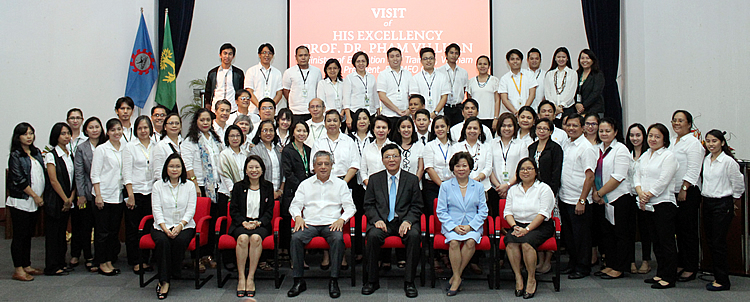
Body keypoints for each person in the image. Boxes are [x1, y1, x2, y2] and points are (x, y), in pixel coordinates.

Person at [287, 151, 357, 299]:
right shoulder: (305, 184)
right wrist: (298, 217)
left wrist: (341, 220)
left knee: (338, 240)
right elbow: (294, 205)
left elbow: (351, 207)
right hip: (309, 223)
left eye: (327, 164)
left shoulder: (341, 184)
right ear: (313, 167)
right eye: (319, 164)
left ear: (332, 166)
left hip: (332, 224)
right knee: (296, 238)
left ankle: (334, 280)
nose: (323, 167)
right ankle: (298, 280)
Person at [362, 144, 423, 298]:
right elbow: (368, 205)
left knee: (414, 236)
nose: (391, 160)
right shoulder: (375, 179)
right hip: (382, 221)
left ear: (400, 158)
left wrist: (408, 221)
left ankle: (409, 282)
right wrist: (376, 220)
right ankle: (372, 281)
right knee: (374, 236)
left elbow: (417, 205)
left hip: (404, 221)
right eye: (387, 157)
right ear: (382, 160)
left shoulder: (412, 179)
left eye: (395, 156)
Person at [436, 152, 489, 296]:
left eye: (464, 166)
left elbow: (483, 211)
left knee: (471, 241)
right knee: (453, 242)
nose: (461, 169)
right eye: (457, 166)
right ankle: (458, 277)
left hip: (472, 225)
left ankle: (455, 277)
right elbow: (441, 211)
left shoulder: (478, 186)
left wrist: (470, 226)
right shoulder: (446, 186)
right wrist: (453, 226)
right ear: (453, 168)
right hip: (451, 224)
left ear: (470, 168)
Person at [504, 158, 556, 299]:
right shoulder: (514, 190)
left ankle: (531, 279)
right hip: (518, 225)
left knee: (527, 243)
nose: (525, 171)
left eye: (529, 168)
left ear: (536, 171)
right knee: (511, 242)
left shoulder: (544, 188)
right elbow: (507, 212)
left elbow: (543, 213)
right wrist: (515, 226)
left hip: (540, 226)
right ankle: (518, 277)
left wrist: (526, 230)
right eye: (522, 169)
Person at [635, 123, 679, 289]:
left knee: (666, 242)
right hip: (647, 204)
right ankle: (660, 273)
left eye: (657, 137)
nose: (653, 139)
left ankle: (669, 276)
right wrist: (640, 193)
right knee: (656, 241)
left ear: (664, 139)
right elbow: (637, 176)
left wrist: (648, 194)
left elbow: (664, 180)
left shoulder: (668, 156)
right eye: (651, 136)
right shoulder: (646, 154)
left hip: (663, 203)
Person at [701, 130, 745, 291]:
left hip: (722, 204)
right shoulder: (706, 159)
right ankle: (717, 276)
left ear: (722, 143)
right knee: (711, 241)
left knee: (719, 242)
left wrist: (732, 201)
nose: (711, 144)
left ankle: (723, 280)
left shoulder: (728, 162)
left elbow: (739, 184)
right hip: (707, 202)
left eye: (714, 141)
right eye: (708, 141)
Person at [150, 154, 197, 299]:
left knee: (179, 241)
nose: (174, 169)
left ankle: (173, 270)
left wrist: (180, 226)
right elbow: (156, 210)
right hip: (161, 225)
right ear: (166, 168)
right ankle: (164, 281)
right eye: (171, 166)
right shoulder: (158, 185)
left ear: (182, 169)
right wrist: (165, 228)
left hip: (185, 225)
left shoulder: (189, 185)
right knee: (163, 241)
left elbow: (191, 209)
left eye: (178, 166)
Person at [591, 118, 633, 279]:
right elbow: (593, 173)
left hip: (618, 197)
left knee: (620, 234)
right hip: (601, 198)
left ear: (615, 132)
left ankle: (619, 267)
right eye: (601, 131)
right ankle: (610, 264)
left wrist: (600, 193)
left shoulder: (620, 149)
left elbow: (619, 176)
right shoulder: (598, 149)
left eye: (608, 131)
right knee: (607, 234)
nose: (604, 134)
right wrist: (597, 193)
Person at [182, 108, 223, 268]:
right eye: (202, 120)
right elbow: (187, 165)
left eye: (208, 120)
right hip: (198, 186)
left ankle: (208, 254)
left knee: (211, 223)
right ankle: (196, 257)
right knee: (198, 223)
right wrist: (194, 184)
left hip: (215, 187)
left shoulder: (214, 138)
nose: (205, 123)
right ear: (196, 122)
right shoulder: (190, 141)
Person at [558, 113, 597, 279]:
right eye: (568, 125)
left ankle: (583, 267)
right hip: (565, 196)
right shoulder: (567, 143)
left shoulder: (586, 147)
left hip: (578, 200)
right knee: (570, 236)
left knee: (581, 237)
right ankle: (573, 264)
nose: (571, 128)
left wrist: (582, 200)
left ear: (583, 128)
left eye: (575, 126)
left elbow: (590, 176)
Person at [230, 155, 275, 298]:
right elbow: (233, 209)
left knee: (255, 238)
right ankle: (241, 277)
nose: (254, 170)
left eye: (257, 167)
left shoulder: (268, 187)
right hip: (241, 223)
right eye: (250, 167)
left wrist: (259, 222)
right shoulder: (238, 186)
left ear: (262, 170)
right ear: (245, 170)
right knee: (243, 238)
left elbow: (269, 211)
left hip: (261, 224)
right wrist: (243, 222)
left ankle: (250, 277)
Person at [668, 110, 704, 282]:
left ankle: (691, 266)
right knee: (678, 230)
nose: (676, 123)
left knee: (688, 230)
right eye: (674, 120)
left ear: (689, 124)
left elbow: (694, 168)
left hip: (688, 192)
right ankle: (681, 263)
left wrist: (684, 187)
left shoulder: (693, 143)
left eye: (680, 120)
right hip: (672, 191)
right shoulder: (673, 141)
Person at [7, 123, 45, 281]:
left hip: (34, 202)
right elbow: (19, 180)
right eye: (25, 134)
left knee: (28, 235)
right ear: (18, 137)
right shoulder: (16, 155)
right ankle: (18, 269)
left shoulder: (35, 153)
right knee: (20, 236)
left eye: (31, 133)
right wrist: (35, 195)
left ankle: (26, 265)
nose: (29, 137)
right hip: (22, 201)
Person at [527, 118, 564, 274]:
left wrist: (551, 193)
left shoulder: (555, 148)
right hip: (534, 192)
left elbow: (556, 173)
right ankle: (539, 260)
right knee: (537, 225)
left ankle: (547, 261)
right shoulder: (531, 147)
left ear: (551, 131)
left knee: (549, 224)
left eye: (545, 128)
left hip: (549, 193)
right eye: (539, 128)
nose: (541, 131)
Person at [91, 118, 125, 275]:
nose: (116, 132)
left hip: (117, 196)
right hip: (103, 196)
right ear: (108, 132)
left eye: (119, 129)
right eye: (113, 130)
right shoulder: (102, 149)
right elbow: (95, 174)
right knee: (102, 232)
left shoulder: (125, 148)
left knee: (113, 231)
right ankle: (101, 262)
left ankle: (109, 260)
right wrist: (98, 195)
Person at [122, 116, 155, 273]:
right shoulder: (130, 147)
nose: (143, 131)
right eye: (140, 128)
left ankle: (146, 259)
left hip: (152, 192)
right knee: (134, 228)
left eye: (146, 127)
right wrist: (130, 195)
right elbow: (126, 173)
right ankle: (136, 260)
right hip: (135, 192)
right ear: (136, 130)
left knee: (148, 226)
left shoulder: (156, 145)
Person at [73, 117, 103, 273]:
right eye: (91, 127)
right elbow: (79, 173)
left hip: (103, 193)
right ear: (86, 130)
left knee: (100, 228)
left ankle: (100, 256)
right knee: (86, 227)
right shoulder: (81, 148)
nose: (94, 130)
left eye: (97, 127)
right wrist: (81, 194)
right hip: (86, 193)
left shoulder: (105, 145)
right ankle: (88, 256)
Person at [280, 121, 312, 262]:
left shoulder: (309, 150)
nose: (301, 134)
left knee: (304, 223)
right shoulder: (287, 150)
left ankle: (303, 256)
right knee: (291, 224)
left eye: (304, 131)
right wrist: (303, 186)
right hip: (292, 191)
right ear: (293, 132)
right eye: (298, 131)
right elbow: (288, 172)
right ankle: (293, 259)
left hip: (308, 193)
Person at [625, 123, 652, 274]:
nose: (635, 138)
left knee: (645, 229)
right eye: (632, 135)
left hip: (644, 197)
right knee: (629, 230)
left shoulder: (649, 154)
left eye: (638, 135)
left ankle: (646, 260)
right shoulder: (626, 152)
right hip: (629, 195)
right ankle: (630, 261)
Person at [489, 113, 529, 216]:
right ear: (499, 127)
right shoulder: (491, 144)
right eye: (503, 125)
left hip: (515, 188)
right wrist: (499, 186)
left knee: (513, 217)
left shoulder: (521, 144)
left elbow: (523, 168)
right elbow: (489, 167)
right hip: (495, 189)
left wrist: (507, 185)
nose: (506, 128)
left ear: (515, 127)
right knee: (496, 218)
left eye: (510, 126)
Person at [218, 125, 249, 234]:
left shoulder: (246, 154)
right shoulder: (224, 155)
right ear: (227, 138)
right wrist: (236, 193)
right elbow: (225, 176)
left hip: (244, 195)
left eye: (237, 136)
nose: (235, 139)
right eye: (232, 136)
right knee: (226, 228)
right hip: (227, 195)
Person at [283, 45, 322, 123]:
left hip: (312, 111)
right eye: (300, 55)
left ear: (309, 56)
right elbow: (286, 91)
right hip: (295, 111)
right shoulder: (289, 72)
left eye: (305, 55)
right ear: (296, 57)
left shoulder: (316, 71)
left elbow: (319, 90)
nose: (303, 58)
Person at [410, 47, 451, 120]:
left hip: (438, 115)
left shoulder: (442, 77)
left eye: (431, 58)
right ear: (421, 61)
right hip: (421, 117)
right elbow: (415, 98)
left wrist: (435, 112)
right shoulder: (415, 78)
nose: (428, 61)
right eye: (425, 59)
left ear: (435, 60)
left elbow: (444, 97)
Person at [376, 47, 413, 125]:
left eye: (397, 56)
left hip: (405, 115)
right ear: (388, 59)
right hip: (388, 115)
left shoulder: (408, 74)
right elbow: (382, 96)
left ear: (401, 58)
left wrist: (409, 110)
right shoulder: (383, 75)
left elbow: (413, 95)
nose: (395, 59)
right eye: (392, 57)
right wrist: (397, 110)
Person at [244, 43, 283, 114]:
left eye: (270, 53)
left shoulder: (277, 73)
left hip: (271, 113)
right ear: (259, 55)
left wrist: (270, 107)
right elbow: (249, 92)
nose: (267, 55)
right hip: (254, 111)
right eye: (264, 53)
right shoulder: (251, 71)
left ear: (272, 56)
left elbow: (279, 94)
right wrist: (260, 106)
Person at [343, 52, 378, 130]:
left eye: (363, 61)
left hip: (370, 113)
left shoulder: (371, 77)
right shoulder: (349, 78)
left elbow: (375, 96)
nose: (361, 63)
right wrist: (348, 117)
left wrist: (378, 112)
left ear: (367, 62)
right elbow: (346, 100)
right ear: (354, 63)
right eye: (358, 61)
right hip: (355, 113)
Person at [205, 43, 245, 112]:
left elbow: (241, 91)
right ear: (220, 55)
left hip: (233, 109)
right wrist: (208, 104)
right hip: (216, 109)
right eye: (225, 53)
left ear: (233, 56)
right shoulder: (213, 73)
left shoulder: (238, 73)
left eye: (230, 54)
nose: (227, 56)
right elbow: (208, 91)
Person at [437, 43, 469, 127]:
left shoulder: (463, 72)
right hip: (445, 108)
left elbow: (465, 89)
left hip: (458, 108)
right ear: (446, 55)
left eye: (456, 53)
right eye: (451, 53)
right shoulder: (439, 71)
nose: (454, 55)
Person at [544, 47, 577, 124]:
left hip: (568, 108)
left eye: (563, 57)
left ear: (567, 58)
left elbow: (572, 92)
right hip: (552, 110)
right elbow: (547, 92)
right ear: (555, 58)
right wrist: (554, 106)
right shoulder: (549, 74)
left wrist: (561, 106)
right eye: (559, 57)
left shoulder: (573, 73)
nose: (561, 59)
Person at [499, 49, 538, 115]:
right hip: (511, 114)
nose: (515, 61)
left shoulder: (529, 74)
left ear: (521, 61)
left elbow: (532, 94)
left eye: (518, 59)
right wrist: (515, 112)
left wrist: (524, 111)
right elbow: (504, 99)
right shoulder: (504, 79)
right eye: (512, 59)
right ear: (508, 62)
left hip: (528, 114)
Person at [466, 55, 500, 130]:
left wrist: (496, 118)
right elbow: (469, 100)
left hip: (490, 118)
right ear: (476, 66)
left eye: (485, 64)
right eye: (480, 64)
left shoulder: (494, 80)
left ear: (489, 66)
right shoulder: (471, 81)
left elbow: (497, 100)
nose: (482, 66)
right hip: (474, 119)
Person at [360, 116, 392, 185]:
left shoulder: (394, 148)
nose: (381, 130)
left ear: (389, 130)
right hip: (370, 187)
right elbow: (363, 170)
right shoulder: (367, 148)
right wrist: (368, 183)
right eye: (378, 127)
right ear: (373, 130)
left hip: (389, 187)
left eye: (384, 128)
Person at [150, 113, 182, 182]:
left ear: (181, 127)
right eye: (171, 123)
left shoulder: (185, 143)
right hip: (166, 185)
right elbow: (158, 172)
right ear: (165, 127)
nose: (174, 126)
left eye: (177, 123)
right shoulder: (160, 146)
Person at [575, 49, 604, 115]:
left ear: (592, 60)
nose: (584, 60)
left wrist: (583, 106)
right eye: (582, 58)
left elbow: (596, 93)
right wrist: (577, 104)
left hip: (594, 109)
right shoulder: (577, 74)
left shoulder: (597, 74)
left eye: (587, 58)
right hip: (579, 110)